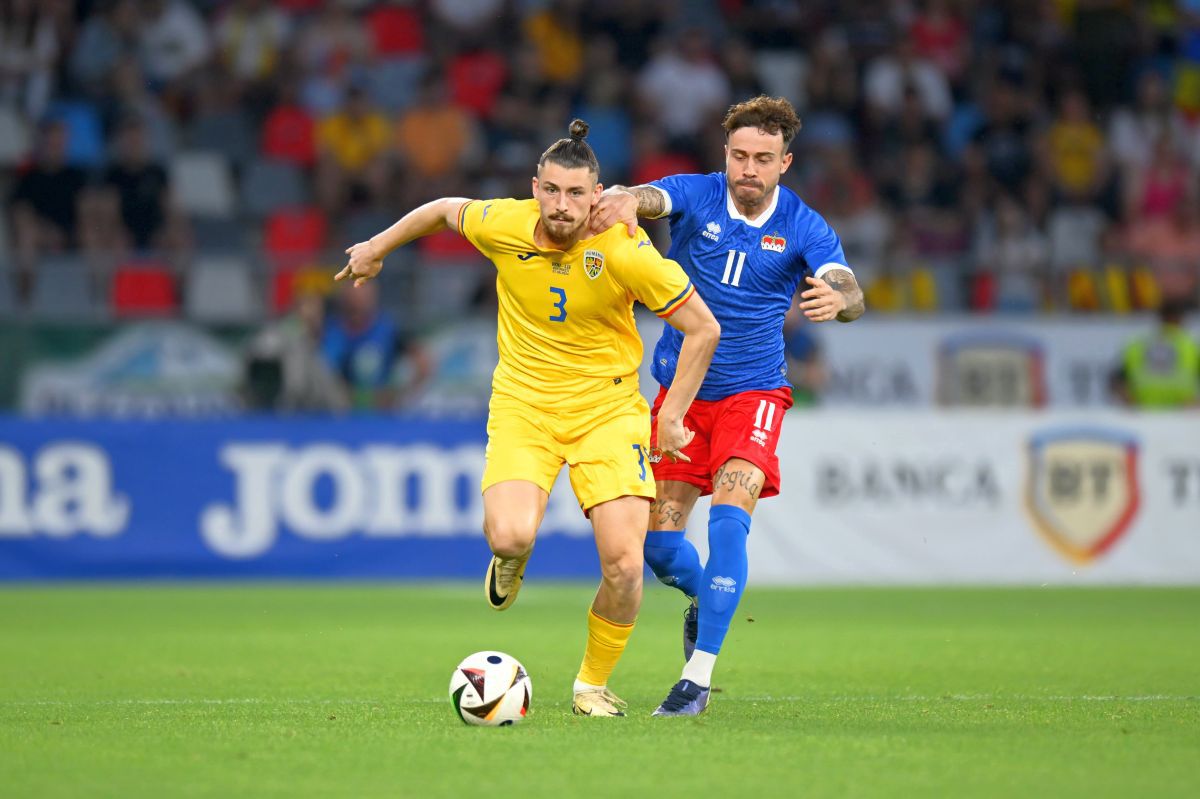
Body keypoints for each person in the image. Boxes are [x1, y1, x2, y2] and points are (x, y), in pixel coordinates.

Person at [336, 120, 720, 717]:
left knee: (625, 564)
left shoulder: (624, 248)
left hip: (607, 411)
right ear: (535, 188)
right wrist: (376, 248)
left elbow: (703, 327)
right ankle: (510, 558)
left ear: (597, 196)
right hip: (525, 405)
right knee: (510, 534)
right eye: (553, 191)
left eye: (577, 194)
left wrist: (672, 415)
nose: (563, 205)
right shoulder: (505, 223)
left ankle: (591, 686)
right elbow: (441, 210)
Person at [590, 95, 865, 716]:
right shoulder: (699, 193)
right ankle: (705, 599)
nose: (748, 168)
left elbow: (847, 287)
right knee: (659, 551)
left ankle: (697, 678)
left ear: (784, 162)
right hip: (682, 397)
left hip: (754, 394)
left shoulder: (803, 225)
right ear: (726, 154)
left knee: (728, 520)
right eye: (739, 155)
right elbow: (652, 198)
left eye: (763, 158)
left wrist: (840, 301)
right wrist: (627, 199)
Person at [1110, 298, 1199, 408]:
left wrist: (1128, 400)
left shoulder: (1139, 345)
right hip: (1181, 412)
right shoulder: (1190, 346)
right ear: (1181, 319)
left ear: (1160, 318)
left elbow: (1116, 380)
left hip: (1144, 412)